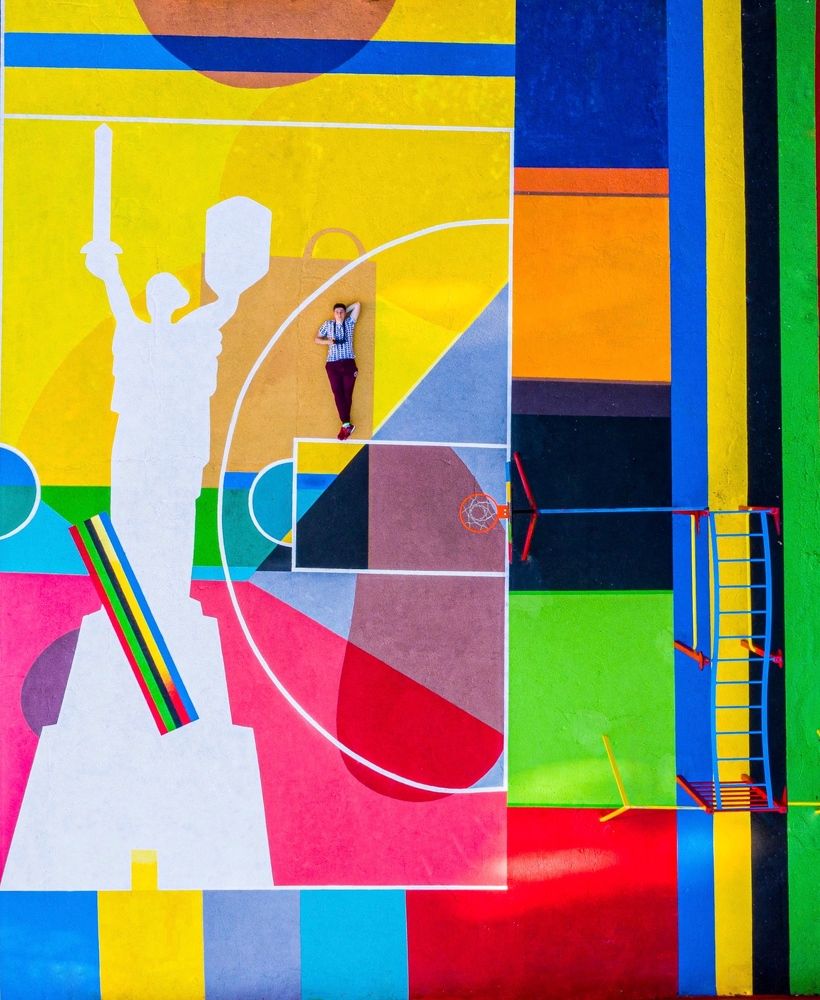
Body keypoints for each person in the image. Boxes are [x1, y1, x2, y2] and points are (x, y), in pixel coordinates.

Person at [315, 300, 361, 440]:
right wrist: (328, 342)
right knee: (337, 393)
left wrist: (346, 310)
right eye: (337, 312)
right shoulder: (328, 324)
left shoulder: (349, 323)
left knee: (347, 394)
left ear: (345, 313)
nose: (339, 314)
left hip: (348, 363)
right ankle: (346, 424)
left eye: (341, 312)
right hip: (332, 364)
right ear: (333, 313)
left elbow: (358, 305)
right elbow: (317, 339)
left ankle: (346, 425)